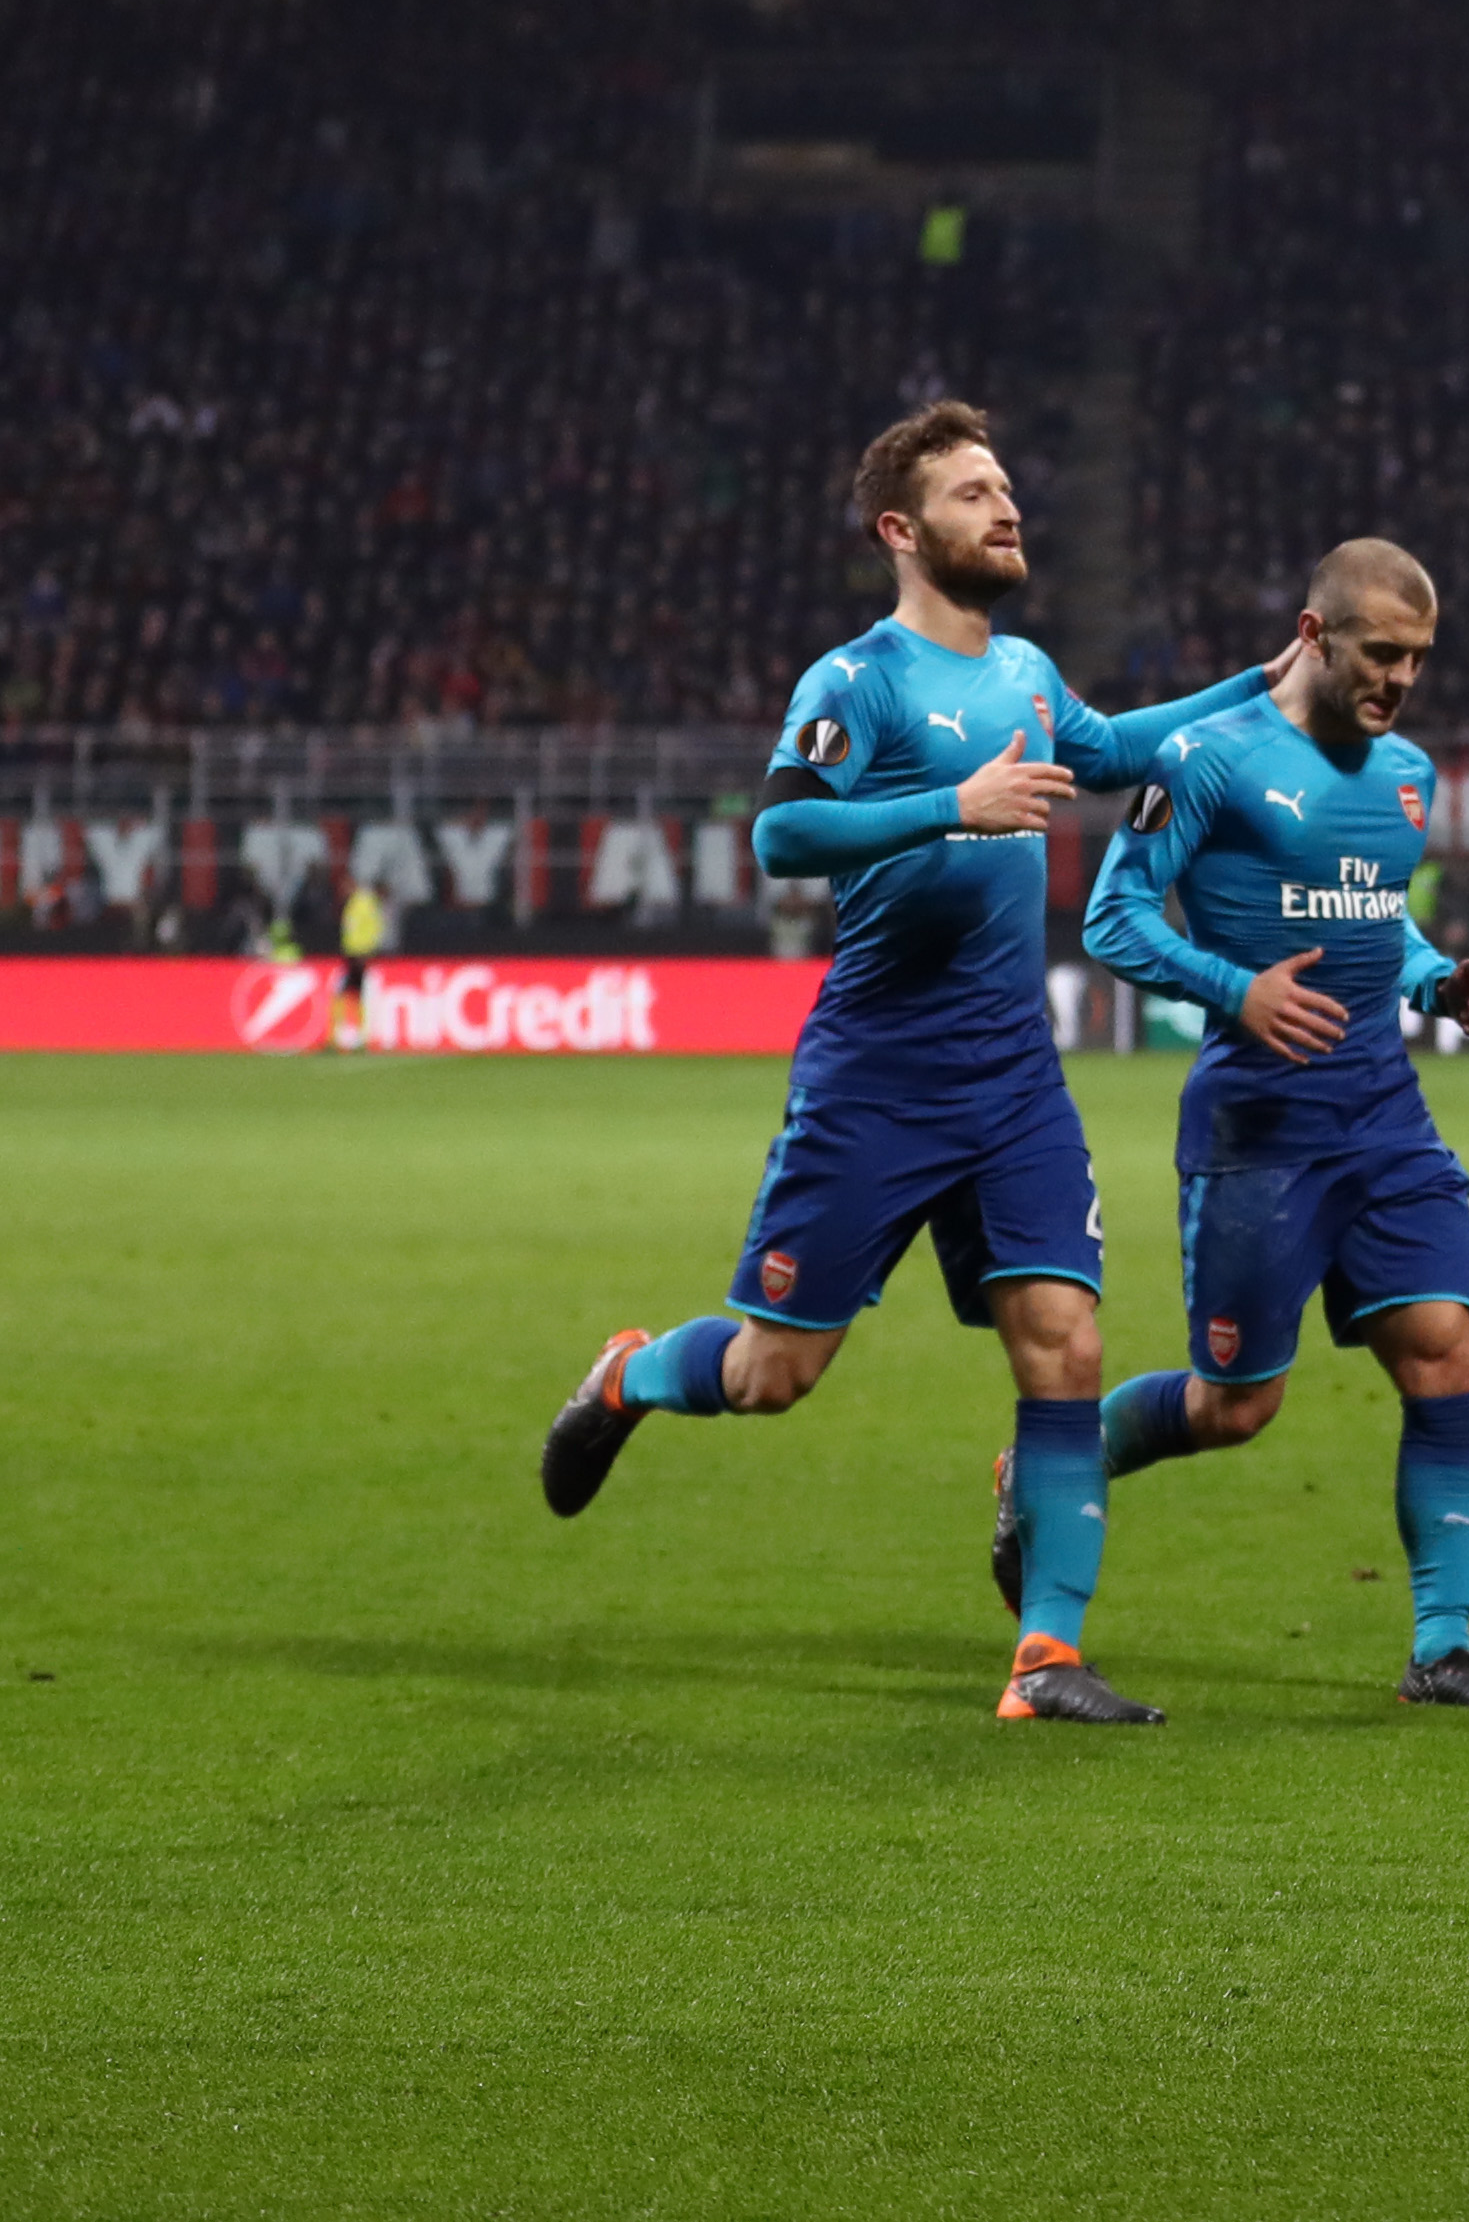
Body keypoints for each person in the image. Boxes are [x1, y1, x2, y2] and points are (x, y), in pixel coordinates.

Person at [535, 401, 1288, 1727]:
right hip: (876, 1076)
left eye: (1008, 489)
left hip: (1013, 1080)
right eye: (973, 492)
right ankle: (632, 1374)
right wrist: (955, 803)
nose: (1005, 509)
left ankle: (1046, 1659)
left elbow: (1115, 751)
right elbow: (780, 836)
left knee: (1064, 1342)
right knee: (776, 1373)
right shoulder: (855, 681)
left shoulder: (1031, 675)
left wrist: (1265, 687)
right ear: (902, 529)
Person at [1080, 539, 1469, 1710]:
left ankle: (1441, 1649)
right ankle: (1060, 1459)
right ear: (1315, 632)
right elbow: (1112, 919)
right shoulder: (1208, 761)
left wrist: (1441, 982)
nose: (1399, 679)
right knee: (1238, 1405)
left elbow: (1382, 927)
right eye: (1382, 653)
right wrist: (1237, 991)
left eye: (1420, 660)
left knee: (1444, 1347)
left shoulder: (1411, 776)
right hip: (1258, 1129)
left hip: (1382, 1113)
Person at [331, 871, 390, 1052]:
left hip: (359, 955)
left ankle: (347, 1037)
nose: (341, 890)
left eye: (344, 886)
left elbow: (373, 928)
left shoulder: (363, 902)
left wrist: (367, 951)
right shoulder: (357, 902)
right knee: (351, 994)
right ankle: (350, 1037)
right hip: (353, 954)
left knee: (348, 994)